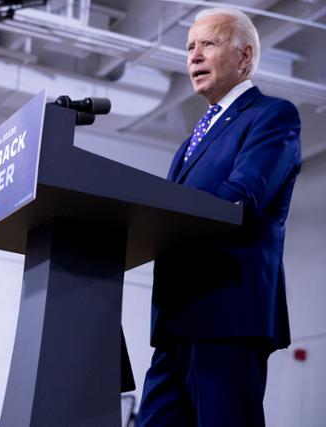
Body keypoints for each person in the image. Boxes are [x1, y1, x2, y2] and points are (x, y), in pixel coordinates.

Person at [137, 7, 301, 427]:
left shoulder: (272, 116)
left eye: (208, 44)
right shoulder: (192, 139)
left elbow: (240, 197)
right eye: (190, 46)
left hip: (227, 317)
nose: (193, 56)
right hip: (176, 323)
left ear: (245, 57)